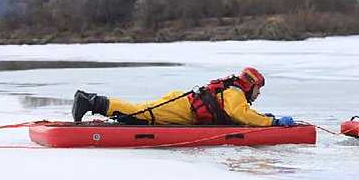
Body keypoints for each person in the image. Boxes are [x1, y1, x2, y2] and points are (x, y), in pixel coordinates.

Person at [71, 67, 295, 127]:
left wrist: (265, 116)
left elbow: (241, 113)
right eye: (258, 89)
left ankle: (92, 101)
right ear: (250, 86)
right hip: (181, 108)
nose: (258, 94)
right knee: (140, 112)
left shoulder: (232, 90)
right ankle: (92, 102)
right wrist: (272, 122)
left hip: (182, 104)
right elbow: (240, 114)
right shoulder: (235, 93)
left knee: (141, 112)